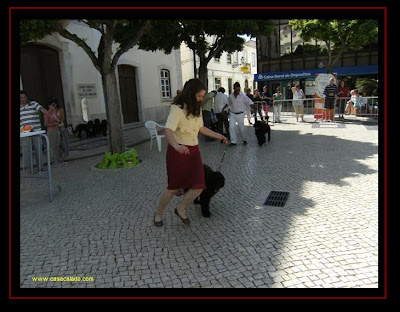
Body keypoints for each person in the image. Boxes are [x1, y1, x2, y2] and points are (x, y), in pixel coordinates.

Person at [153, 79, 228, 227]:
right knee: (173, 187)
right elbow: (168, 130)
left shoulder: (197, 109)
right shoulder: (177, 109)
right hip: (178, 152)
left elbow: (202, 129)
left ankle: (180, 209)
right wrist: (176, 145)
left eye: (202, 96)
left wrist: (220, 135)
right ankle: (158, 214)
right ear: (190, 94)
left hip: (194, 151)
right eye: (199, 96)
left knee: (199, 185)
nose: (202, 99)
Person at [20, 90, 59, 173]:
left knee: (38, 149)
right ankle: (29, 169)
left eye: (24, 97)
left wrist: (51, 116)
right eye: (21, 98)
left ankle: (41, 167)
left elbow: (42, 109)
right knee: (26, 151)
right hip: (24, 132)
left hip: (36, 130)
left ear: (26, 97)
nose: (23, 99)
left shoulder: (33, 103)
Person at [227, 82, 254, 146]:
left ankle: (244, 139)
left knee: (241, 128)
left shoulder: (243, 96)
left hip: (240, 114)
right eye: (236, 90)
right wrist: (223, 109)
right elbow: (228, 103)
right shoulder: (231, 96)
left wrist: (252, 109)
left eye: (238, 90)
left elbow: (250, 102)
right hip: (232, 114)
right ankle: (233, 141)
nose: (237, 91)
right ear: (233, 88)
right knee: (231, 127)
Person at [44, 100, 64, 164]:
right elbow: (46, 124)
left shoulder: (55, 113)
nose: (54, 106)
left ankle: (57, 158)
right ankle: (52, 160)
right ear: (48, 106)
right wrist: (54, 124)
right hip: (51, 130)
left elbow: (59, 119)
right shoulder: (47, 114)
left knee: (57, 144)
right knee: (52, 146)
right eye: (52, 105)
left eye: (55, 105)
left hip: (57, 129)